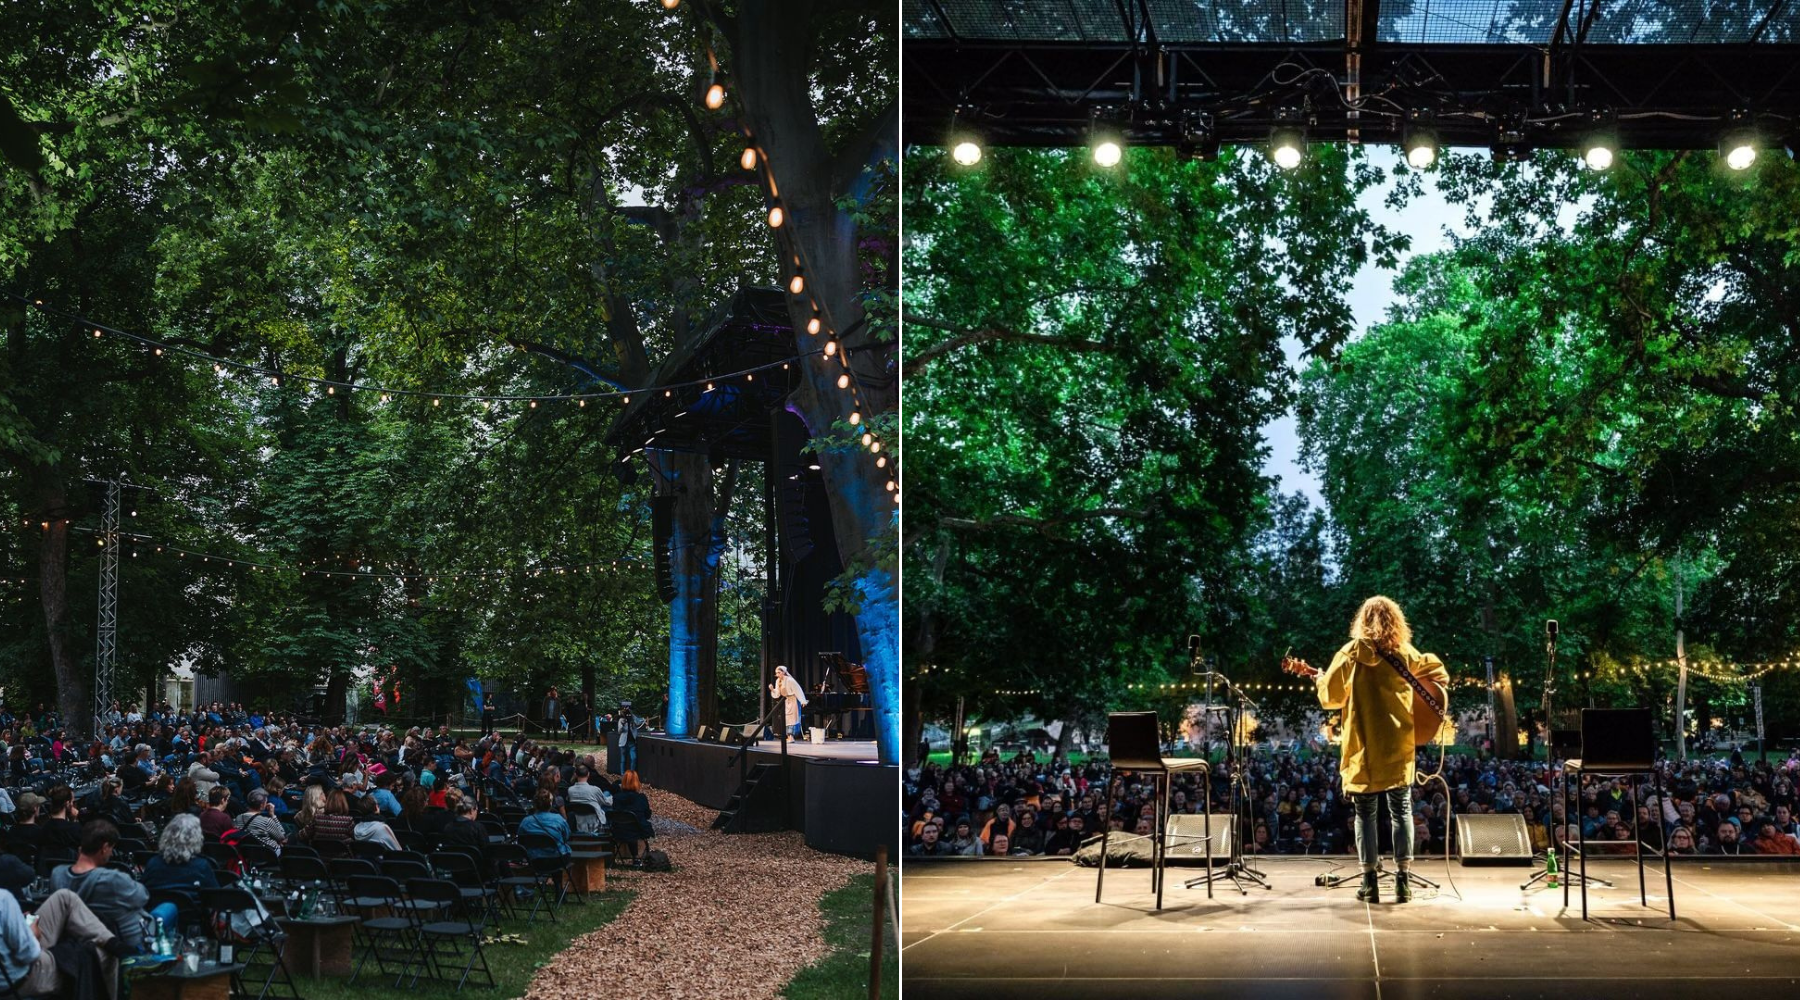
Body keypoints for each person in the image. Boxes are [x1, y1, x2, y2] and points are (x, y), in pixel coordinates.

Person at [1310, 595, 1449, 904]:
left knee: (1365, 815)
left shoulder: (1349, 654)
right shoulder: (1405, 652)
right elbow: (1439, 673)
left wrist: (1321, 681)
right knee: (1401, 812)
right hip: (1398, 745)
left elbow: (1330, 697)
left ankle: (1369, 882)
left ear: (1362, 620)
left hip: (1364, 748)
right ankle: (1403, 882)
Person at [49, 820, 153, 955]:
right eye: (111, 849)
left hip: (79, 940)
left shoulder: (57, 875)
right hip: (128, 942)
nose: (110, 854)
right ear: (104, 848)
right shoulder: (114, 880)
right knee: (168, 908)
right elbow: (143, 897)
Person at [140, 814, 218, 922]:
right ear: (197, 838)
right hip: (193, 920)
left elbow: (143, 893)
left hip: (158, 920)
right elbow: (214, 897)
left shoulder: (153, 863)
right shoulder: (202, 866)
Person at [610, 771, 654, 860]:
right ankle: (638, 857)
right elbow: (647, 815)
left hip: (619, 830)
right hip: (637, 831)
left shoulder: (617, 798)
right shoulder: (641, 798)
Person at [518, 789, 571, 859]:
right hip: (558, 859)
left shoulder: (526, 821)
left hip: (535, 860)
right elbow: (566, 836)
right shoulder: (559, 819)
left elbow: (521, 841)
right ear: (550, 804)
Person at [564, 764, 610, 834]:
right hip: (595, 823)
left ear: (576, 774)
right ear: (588, 774)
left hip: (579, 822)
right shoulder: (594, 789)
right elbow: (607, 802)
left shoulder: (570, 790)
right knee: (607, 794)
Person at [769, 666, 808, 741]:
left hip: (793, 700)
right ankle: (788, 736)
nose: (777, 674)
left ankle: (791, 736)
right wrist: (772, 690)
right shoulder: (778, 681)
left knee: (792, 719)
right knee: (787, 719)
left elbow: (798, 690)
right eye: (776, 673)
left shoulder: (790, 680)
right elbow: (777, 694)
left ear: (783, 672)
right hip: (786, 701)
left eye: (779, 672)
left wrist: (803, 701)